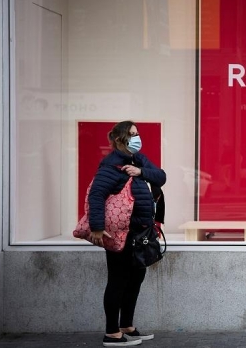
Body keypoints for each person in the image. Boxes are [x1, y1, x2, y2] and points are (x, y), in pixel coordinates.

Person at [88, 121, 166, 347]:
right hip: (121, 233)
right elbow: (96, 196)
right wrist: (97, 227)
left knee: (136, 277)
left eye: (137, 133)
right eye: (132, 134)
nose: (136, 138)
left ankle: (127, 326)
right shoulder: (111, 166)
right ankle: (112, 333)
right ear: (120, 139)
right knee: (118, 280)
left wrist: (141, 171)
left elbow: (160, 177)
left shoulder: (137, 160)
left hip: (140, 233)